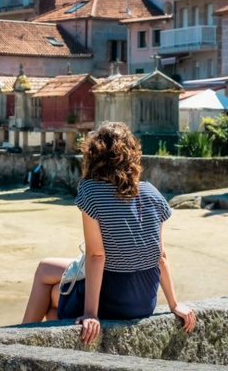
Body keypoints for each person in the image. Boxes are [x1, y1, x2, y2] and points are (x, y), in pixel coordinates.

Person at [22, 121, 196, 344]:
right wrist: (174, 304)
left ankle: (21, 340)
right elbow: (160, 255)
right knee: (48, 277)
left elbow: (97, 255)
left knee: (52, 291)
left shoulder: (90, 191)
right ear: (132, 155)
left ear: (93, 155)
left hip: (113, 297)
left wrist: (91, 314)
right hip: (143, 301)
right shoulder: (151, 192)